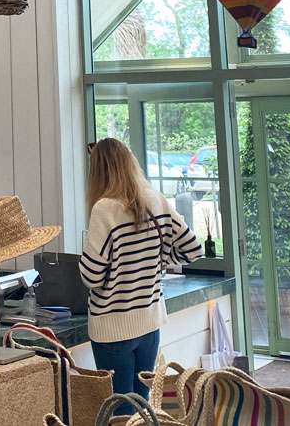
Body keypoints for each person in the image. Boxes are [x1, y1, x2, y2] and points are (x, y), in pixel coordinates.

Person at [80, 138, 204, 411]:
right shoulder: (155, 198)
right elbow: (193, 249)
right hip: (149, 323)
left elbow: (91, 276)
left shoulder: (104, 208)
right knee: (141, 408)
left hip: (113, 327)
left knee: (120, 410)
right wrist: (160, 261)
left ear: (98, 171)